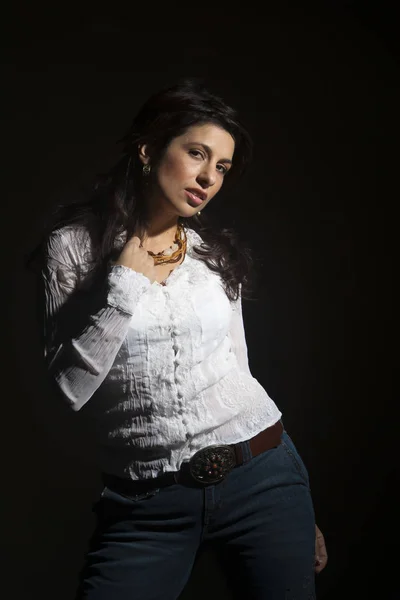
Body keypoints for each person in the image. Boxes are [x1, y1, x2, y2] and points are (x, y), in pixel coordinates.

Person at [32, 79, 327, 599]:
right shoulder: (73, 249)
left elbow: (240, 368)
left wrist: (295, 509)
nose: (209, 177)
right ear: (149, 148)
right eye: (197, 154)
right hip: (146, 507)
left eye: (222, 168)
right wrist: (122, 288)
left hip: (264, 477)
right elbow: (69, 390)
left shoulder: (215, 252)